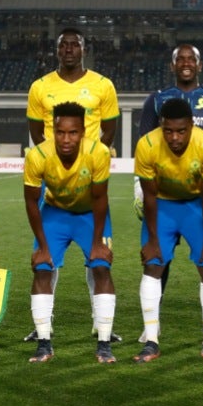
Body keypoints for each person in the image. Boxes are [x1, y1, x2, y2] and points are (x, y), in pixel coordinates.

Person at [134, 43, 203, 344]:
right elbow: (145, 142)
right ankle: (152, 323)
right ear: (172, 65)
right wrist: (138, 188)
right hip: (164, 193)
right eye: (179, 59)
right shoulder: (156, 99)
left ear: (200, 64)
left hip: (199, 193)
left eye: (190, 58)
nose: (185, 63)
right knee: (158, 259)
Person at [25, 27, 121, 343]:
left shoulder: (103, 85)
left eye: (74, 44)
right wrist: (56, 159)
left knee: (99, 261)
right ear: (57, 50)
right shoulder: (39, 87)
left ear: (83, 49)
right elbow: (36, 130)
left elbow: (110, 127)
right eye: (63, 45)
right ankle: (43, 324)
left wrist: (93, 156)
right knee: (45, 260)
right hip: (57, 190)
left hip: (90, 182)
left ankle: (101, 324)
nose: (68, 49)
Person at [133, 98, 203, 365]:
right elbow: (149, 196)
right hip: (162, 205)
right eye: (168, 131)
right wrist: (152, 240)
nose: (174, 138)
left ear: (191, 126)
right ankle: (151, 341)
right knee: (153, 264)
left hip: (197, 205)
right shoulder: (147, 145)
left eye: (181, 131)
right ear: (161, 126)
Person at [24, 102, 117, 364]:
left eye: (73, 133)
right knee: (42, 268)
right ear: (52, 130)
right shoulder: (37, 156)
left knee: (101, 267)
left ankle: (104, 344)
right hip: (55, 213)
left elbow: (100, 198)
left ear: (83, 132)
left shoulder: (98, 153)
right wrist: (42, 247)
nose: (66, 139)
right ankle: (44, 344)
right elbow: (32, 202)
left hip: (90, 214)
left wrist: (98, 242)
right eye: (60, 132)